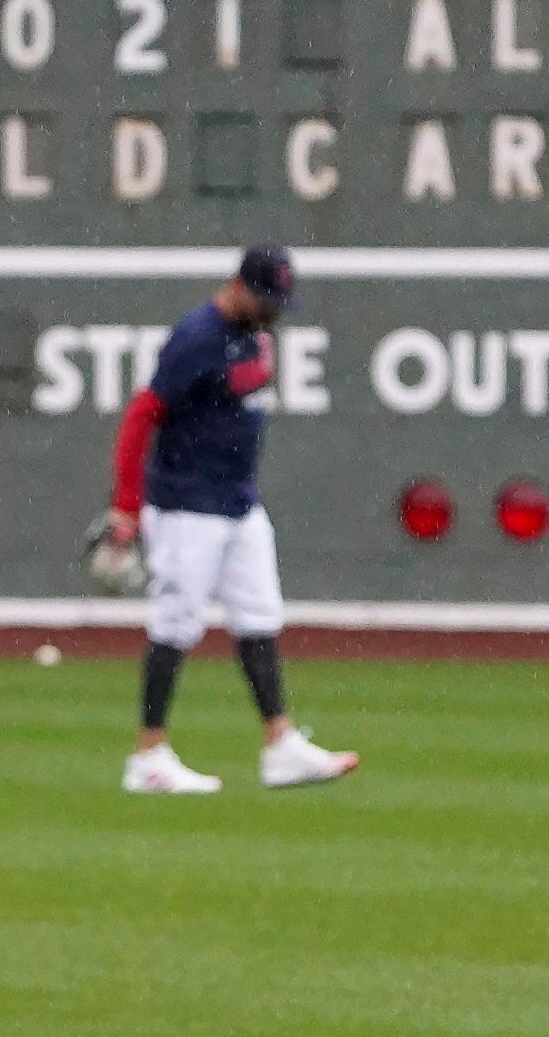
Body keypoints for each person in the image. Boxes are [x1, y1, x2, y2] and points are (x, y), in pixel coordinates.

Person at [102, 244, 358, 795]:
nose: (274, 309)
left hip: (237, 501)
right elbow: (141, 416)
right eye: (266, 297)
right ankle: (148, 755)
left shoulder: (251, 334)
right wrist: (126, 505)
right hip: (187, 504)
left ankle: (280, 745)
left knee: (259, 618)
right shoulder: (197, 337)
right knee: (176, 625)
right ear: (238, 286)